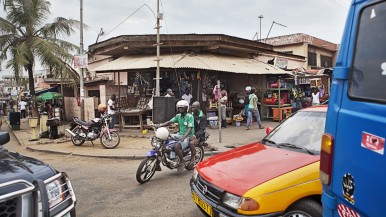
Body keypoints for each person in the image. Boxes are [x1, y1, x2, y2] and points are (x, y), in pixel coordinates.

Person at [157, 100, 195, 172]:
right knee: (166, 138)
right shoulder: (178, 116)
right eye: (179, 108)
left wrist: (183, 137)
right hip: (179, 134)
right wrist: (160, 125)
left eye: (182, 108)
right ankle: (168, 157)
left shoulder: (190, 116)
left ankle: (182, 161)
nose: (180, 109)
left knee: (176, 146)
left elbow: (190, 128)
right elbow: (170, 122)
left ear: (186, 108)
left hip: (188, 136)